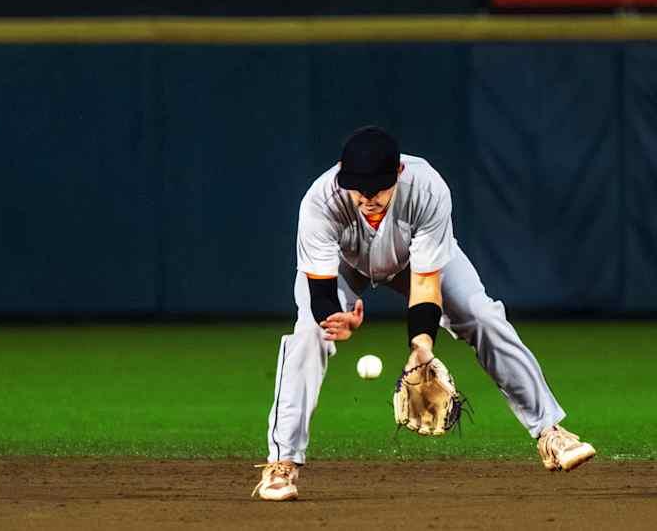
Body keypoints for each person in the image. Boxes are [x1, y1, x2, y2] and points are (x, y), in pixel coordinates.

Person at [252, 126, 595, 501]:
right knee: (308, 334)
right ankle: (282, 462)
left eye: (377, 188)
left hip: (413, 263)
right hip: (344, 265)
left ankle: (550, 433)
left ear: (399, 173)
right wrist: (334, 317)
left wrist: (421, 347)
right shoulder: (321, 200)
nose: (367, 197)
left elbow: (425, 282)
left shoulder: (427, 188)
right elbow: (320, 291)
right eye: (358, 188)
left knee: (483, 316)